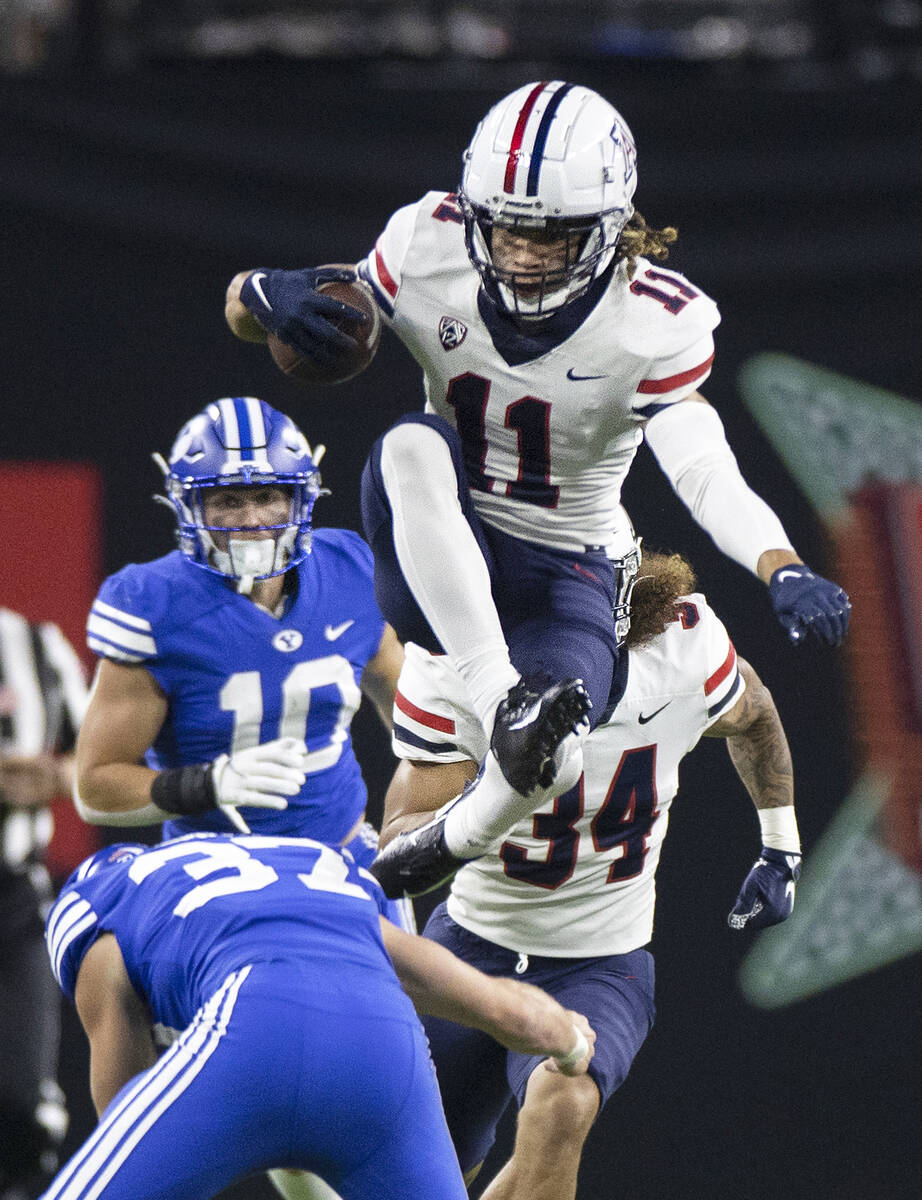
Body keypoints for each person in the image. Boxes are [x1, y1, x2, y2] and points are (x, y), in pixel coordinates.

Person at [224, 80, 849, 885]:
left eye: (549, 237)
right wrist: (262, 294)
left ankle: (444, 844)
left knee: (554, 754)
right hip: (441, 544)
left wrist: (779, 560)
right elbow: (286, 305)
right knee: (413, 446)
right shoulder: (427, 242)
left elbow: (700, 463)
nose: (519, 253)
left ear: (611, 227)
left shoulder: (653, 319)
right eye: (505, 229)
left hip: (569, 572)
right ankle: (495, 702)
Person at [369, 544, 802, 1199]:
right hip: (471, 946)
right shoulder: (463, 670)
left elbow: (755, 710)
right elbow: (399, 850)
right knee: (422, 1176)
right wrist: (490, 797)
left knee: (563, 1099)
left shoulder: (683, 649)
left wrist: (780, 846)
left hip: (597, 961)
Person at [40, 832, 593, 1200]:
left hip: (256, 1026)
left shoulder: (102, 900)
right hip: (385, 1059)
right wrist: (567, 1038)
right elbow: (490, 1001)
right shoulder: (323, 878)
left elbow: (122, 1105)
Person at [73, 396, 405, 892]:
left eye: (268, 496)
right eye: (228, 500)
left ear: (300, 499)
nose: (252, 519)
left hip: (343, 856)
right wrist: (207, 785)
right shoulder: (154, 603)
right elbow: (95, 786)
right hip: (214, 870)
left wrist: (414, 815)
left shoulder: (348, 569)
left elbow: (414, 714)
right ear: (189, 506)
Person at [1, 607, 88, 1200]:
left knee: (21, 1103)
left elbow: (107, 763)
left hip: (12, 899)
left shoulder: (34, 644)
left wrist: (54, 776)